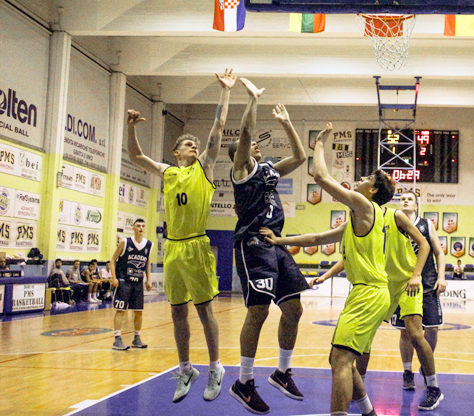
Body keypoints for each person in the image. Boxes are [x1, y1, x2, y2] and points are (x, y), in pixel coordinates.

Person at [261, 123, 395, 416]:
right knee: (342, 358)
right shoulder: (365, 217)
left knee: (341, 360)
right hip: (370, 293)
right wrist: (279, 240)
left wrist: (319, 144)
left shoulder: (364, 206)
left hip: (369, 294)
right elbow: (318, 238)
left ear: (372, 190)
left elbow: (320, 176)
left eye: (368, 177)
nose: (361, 178)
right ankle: (369, 412)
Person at [127, 69, 238, 403]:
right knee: (177, 312)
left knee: (204, 311)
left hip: (196, 245)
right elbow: (135, 157)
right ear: (177, 152)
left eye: (196, 144)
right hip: (173, 248)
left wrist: (225, 92)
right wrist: (131, 128)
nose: (196, 145)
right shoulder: (169, 171)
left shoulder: (203, 168)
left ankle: (215, 366)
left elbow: (217, 130)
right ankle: (186, 367)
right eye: (189, 143)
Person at [226, 80, 309, 413]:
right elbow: (245, 137)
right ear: (240, 158)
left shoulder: (270, 170)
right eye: (248, 150)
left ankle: (282, 371)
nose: (256, 148)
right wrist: (252, 99)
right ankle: (244, 381)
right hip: (253, 245)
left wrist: (287, 124)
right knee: (258, 311)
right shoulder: (241, 172)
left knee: (294, 310)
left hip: (276, 245)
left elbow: (300, 156)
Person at [390, 191, 446, 410]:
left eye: (409, 199)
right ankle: (407, 371)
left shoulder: (426, 225)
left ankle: (425, 364)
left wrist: (441, 277)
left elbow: (439, 253)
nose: (405, 201)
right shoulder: (393, 224)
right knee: (406, 332)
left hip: (428, 281)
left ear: (416, 204)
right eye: (402, 198)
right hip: (403, 283)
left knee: (431, 330)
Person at [109, 218, 153, 351]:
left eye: (143, 226)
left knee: (139, 312)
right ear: (133, 228)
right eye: (138, 226)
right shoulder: (125, 242)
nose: (140, 228)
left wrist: (148, 280)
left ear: (145, 229)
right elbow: (112, 259)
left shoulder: (149, 245)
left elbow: (148, 263)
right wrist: (114, 277)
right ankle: (117, 339)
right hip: (124, 281)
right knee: (121, 310)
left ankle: (137, 338)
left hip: (138, 283)